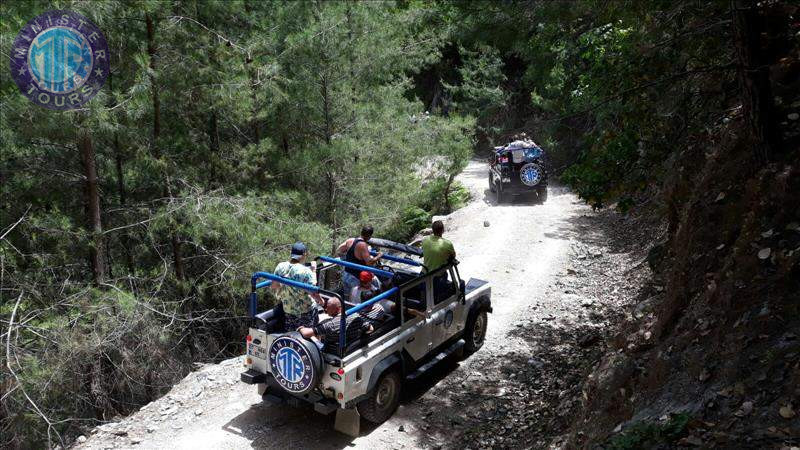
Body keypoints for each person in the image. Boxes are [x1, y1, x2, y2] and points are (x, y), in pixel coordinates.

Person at [270, 242, 323, 331]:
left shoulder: (280, 266)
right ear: (304, 255)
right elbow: (313, 292)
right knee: (310, 336)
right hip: (306, 312)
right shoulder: (306, 272)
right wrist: (321, 301)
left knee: (292, 336)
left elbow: (274, 286)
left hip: (288, 311)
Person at [298, 298, 374, 352]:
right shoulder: (355, 316)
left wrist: (301, 327)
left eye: (328, 307)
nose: (326, 309)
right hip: (349, 347)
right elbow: (370, 328)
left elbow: (306, 334)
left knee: (311, 338)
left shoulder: (330, 324)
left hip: (330, 350)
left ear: (336, 309)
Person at [335, 225, 383, 294]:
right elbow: (369, 262)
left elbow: (339, 250)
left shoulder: (350, 240)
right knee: (355, 300)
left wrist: (346, 258)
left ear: (361, 232)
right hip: (355, 278)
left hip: (346, 274)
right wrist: (379, 255)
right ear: (369, 236)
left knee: (347, 298)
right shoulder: (363, 245)